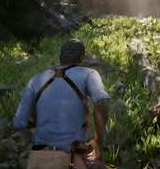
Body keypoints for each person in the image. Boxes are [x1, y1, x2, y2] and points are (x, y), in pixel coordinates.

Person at [13, 39, 110, 169]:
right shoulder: (89, 74)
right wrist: (98, 141)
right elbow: (102, 101)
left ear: (60, 58)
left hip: (38, 158)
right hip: (70, 157)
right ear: (82, 59)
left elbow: (19, 122)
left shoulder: (36, 79)